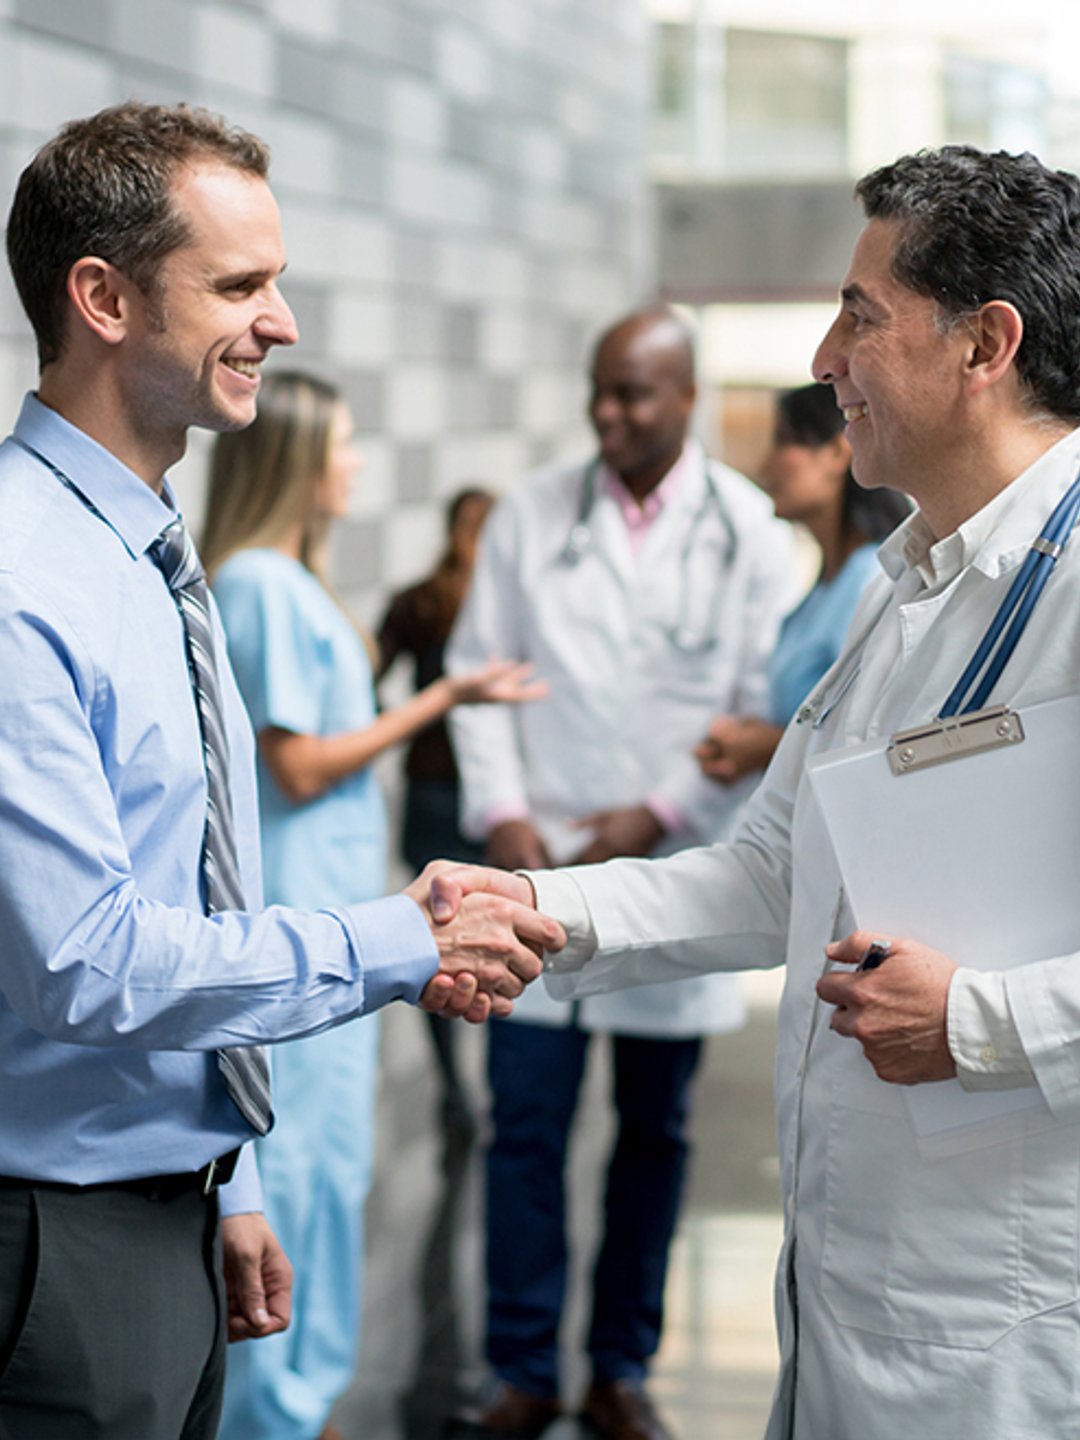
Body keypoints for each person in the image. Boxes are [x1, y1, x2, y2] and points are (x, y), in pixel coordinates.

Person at [434, 146, 1080, 1440]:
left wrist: (982, 1021)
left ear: (985, 345)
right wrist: (532, 905)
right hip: (850, 1284)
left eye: (861, 312)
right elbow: (769, 869)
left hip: (1002, 1313)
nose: (825, 358)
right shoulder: (905, 591)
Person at [0, 101, 560, 1440]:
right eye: (242, 285)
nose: (284, 323)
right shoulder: (24, 577)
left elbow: (191, 881)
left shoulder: (148, 550)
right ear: (104, 298)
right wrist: (397, 936)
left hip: (172, 1211)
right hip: (56, 1247)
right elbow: (84, 961)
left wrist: (231, 1177)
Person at [446, 306, 798, 1440]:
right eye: (599, 390)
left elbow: (757, 714)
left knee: (654, 1140)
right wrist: (501, 816)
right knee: (528, 1136)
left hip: (673, 871)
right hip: (535, 874)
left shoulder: (746, 529)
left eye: (633, 394)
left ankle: (619, 1369)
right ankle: (521, 1371)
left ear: (686, 397)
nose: (608, 412)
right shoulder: (531, 514)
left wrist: (661, 814)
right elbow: (478, 674)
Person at [201, 380, 539, 1440]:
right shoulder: (257, 583)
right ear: (300, 463)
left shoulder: (294, 582)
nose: (354, 465)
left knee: (330, 1168)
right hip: (301, 919)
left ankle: (304, 1398)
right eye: (343, 446)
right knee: (289, 1174)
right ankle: (273, 1408)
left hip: (342, 926)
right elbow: (294, 767)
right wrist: (438, 701)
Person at [694, 382, 909, 785]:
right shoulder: (825, 586)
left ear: (836, 452)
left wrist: (766, 747)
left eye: (784, 443)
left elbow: (875, 742)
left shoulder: (874, 579)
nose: (765, 467)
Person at [377, 486, 497, 1134]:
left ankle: (456, 1089)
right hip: (487, 796)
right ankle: (487, 1082)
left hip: (430, 787)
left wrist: (394, 728)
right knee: (498, 934)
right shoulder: (504, 607)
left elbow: (365, 680)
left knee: (437, 943)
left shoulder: (419, 602)